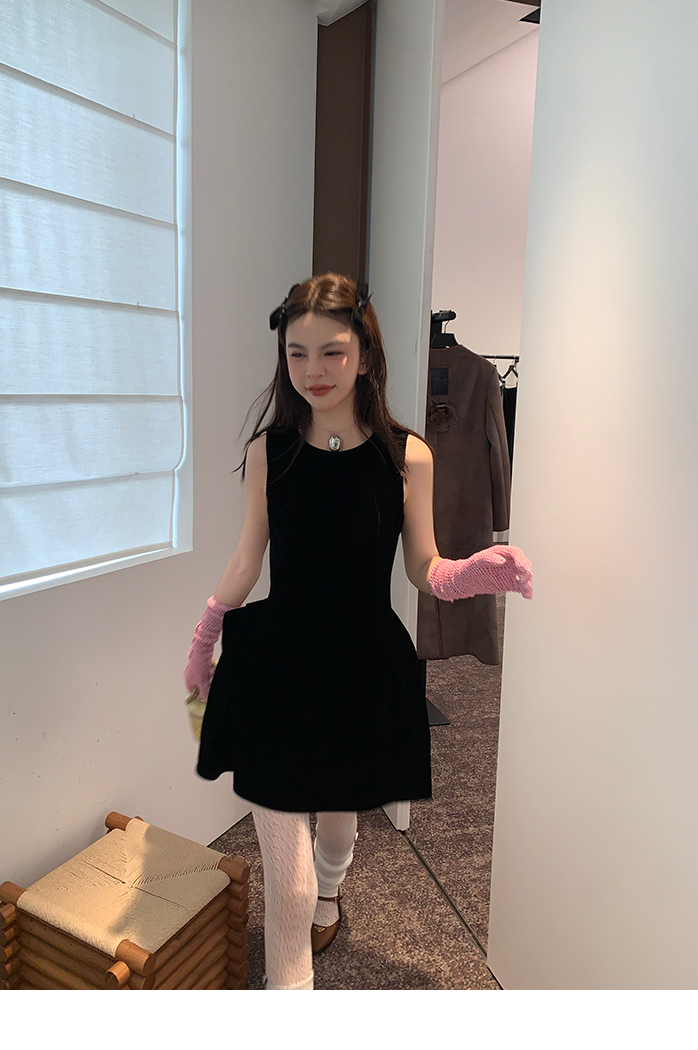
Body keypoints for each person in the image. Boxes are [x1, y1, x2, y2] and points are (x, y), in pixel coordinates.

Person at [184, 274, 533, 990]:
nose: (312, 370)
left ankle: (332, 894)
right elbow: (248, 559)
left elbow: (424, 567)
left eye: (332, 353)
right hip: (277, 665)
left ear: (366, 356)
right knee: (286, 879)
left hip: (363, 666)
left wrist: (472, 572)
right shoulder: (269, 452)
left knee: (340, 821)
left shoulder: (409, 457)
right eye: (297, 354)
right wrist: (204, 635)